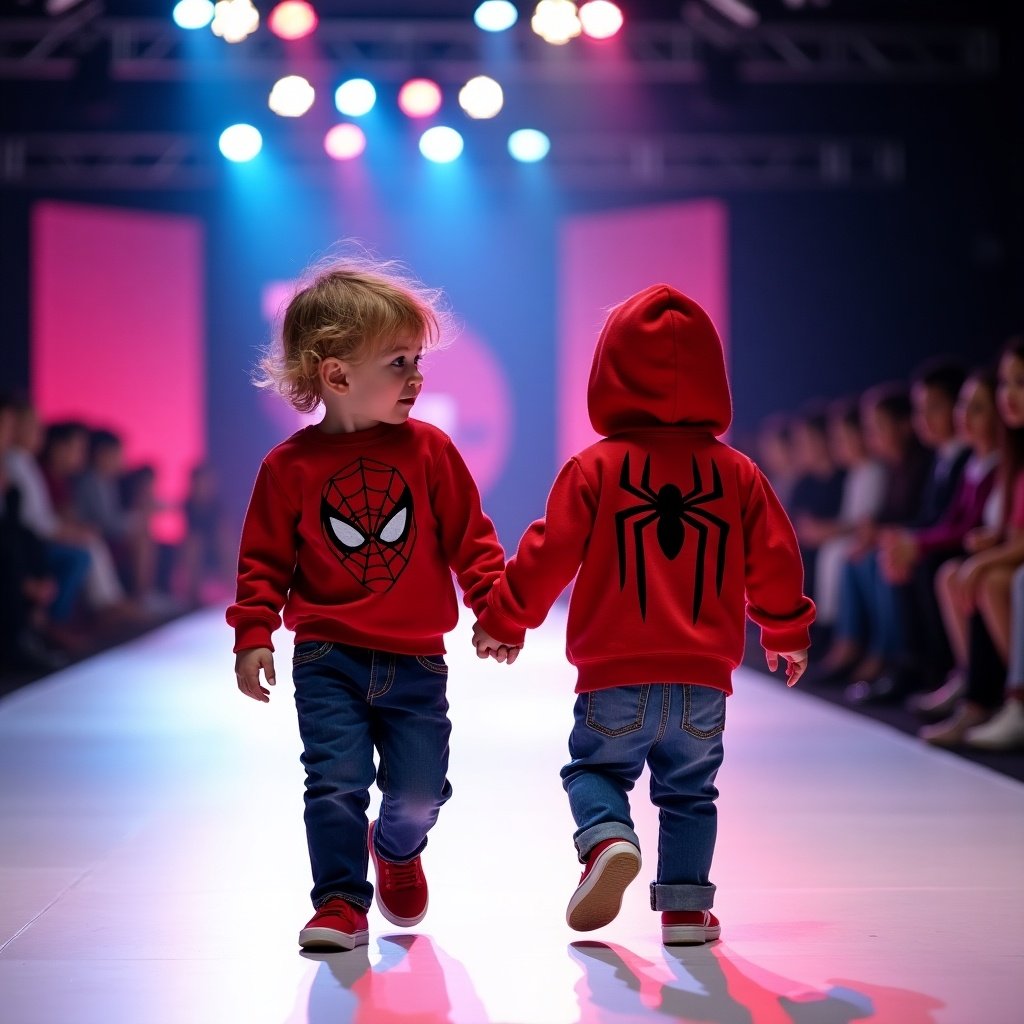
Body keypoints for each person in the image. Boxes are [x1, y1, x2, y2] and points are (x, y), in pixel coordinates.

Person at [472, 284, 814, 947]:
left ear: (610, 371)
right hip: (703, 680)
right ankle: (686, 910)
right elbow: (775, 557)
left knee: (595, 772)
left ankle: (606, 842)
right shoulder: (738, 473)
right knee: (689, 793)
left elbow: (549, 553)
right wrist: (785, 630)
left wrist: (507, 618)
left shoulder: (594, 468)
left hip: (613, 677)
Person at [226, 259, 521, 953]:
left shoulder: (432, 451)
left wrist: (494, 606)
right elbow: (263, 562)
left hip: (418, 658)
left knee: (419, 793)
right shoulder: (287, 469)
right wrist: (253, 633)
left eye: (417, 360)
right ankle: (338, 904)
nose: (416, 378)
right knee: (334, 782)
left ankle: (396, 847)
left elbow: (472, 540)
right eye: (398, 362)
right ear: (336, 375)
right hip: (327, 655)